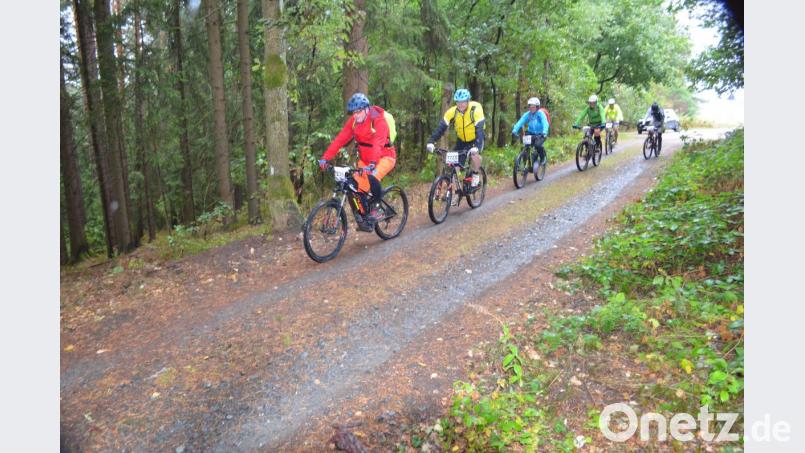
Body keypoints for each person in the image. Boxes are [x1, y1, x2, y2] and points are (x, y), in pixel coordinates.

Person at [319, 93, 397, 230]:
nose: (356, 115)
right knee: (353, 186)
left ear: (367, 109)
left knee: (373, 177)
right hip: (365, 161)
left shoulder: (378, 120)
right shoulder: (354, 122)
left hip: (385, 157)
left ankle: (377, 207)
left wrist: (373, 163)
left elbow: (378, 143)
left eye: (359, 111)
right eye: (353, 112)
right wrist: (326, 158)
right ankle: (364, 221)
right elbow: (340, 139)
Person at [426, 88, 486, 187]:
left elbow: (479, 129)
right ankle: (457, 188)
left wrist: (477, 147)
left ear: (468, 101)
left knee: (475, 155)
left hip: (476, 138)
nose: (460, 104)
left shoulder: (475, 109)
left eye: (463, 102)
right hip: (461, 140)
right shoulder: (452, 112)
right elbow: (441, 127)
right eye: (458, 102)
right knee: (454, 164)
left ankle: (475, 174)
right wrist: (431, 141)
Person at [511, 97, 549, 166]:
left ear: (537, 107)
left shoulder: (540, 114)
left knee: (537, 145)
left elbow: (545, 123)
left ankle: (543, 158)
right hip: (530, 133)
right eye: (530, 107)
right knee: (526, 146)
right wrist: (514, 130)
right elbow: (520, 122)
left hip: (541, 134)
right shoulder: (528, 114)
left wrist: (544, 132)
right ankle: (526, 162)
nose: (531, 108)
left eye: (533, 107)